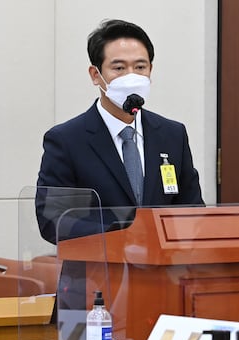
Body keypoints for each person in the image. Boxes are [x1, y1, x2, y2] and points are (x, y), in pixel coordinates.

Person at [36, 18, 204, 244]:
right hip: (98, 263)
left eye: (140, 67)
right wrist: (123, 237)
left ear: (151, 70)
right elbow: (53, 219)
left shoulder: (172, 134)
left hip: (164, 264)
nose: (131, 77)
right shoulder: (66, 140)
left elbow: (192, 209)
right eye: (119, 68)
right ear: (95, 75)